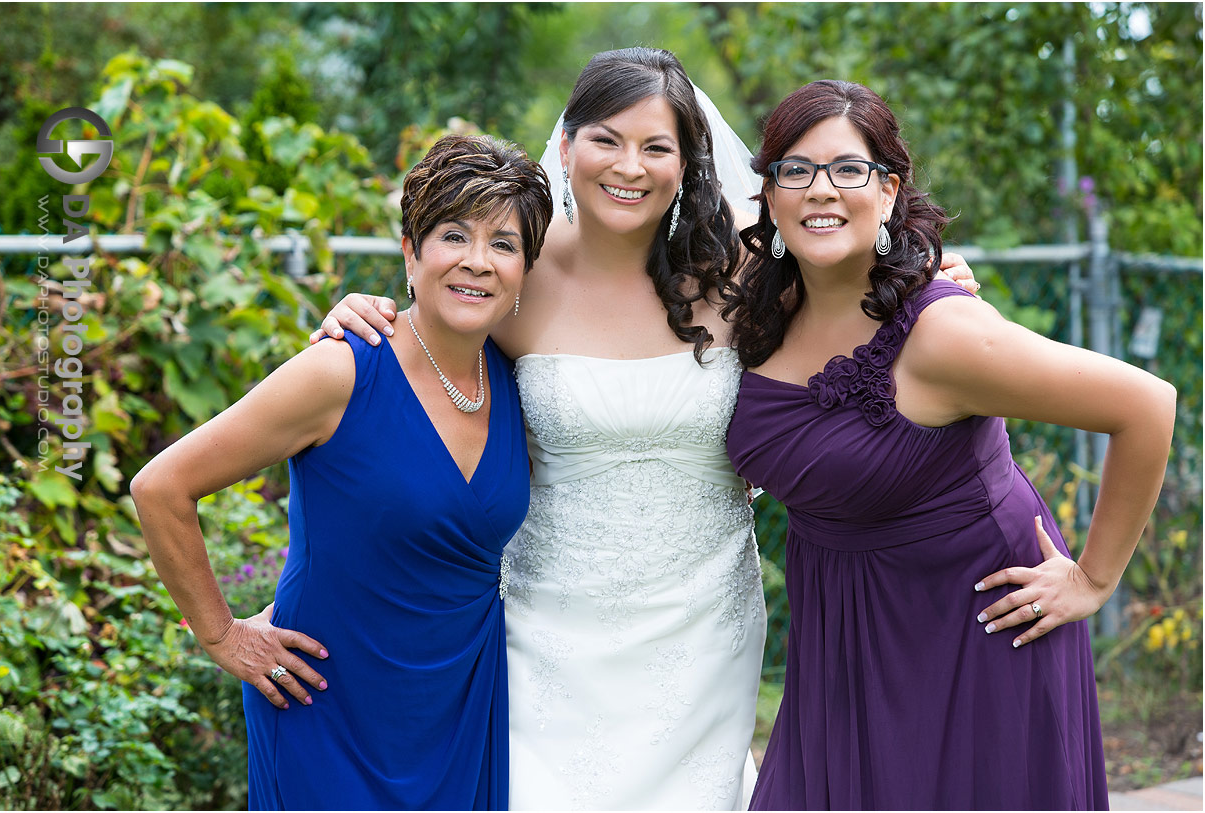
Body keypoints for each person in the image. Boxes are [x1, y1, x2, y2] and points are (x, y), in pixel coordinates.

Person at [314, 48, 981, 810]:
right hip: (549, 634)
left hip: (702, 631)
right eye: (607, 139)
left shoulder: (752, 267)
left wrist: (937, 281)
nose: (629, 166)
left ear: (688, 162)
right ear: (566, 148)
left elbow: (858, 277)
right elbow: (420, 366)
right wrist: (357, 316)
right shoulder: (516, 274)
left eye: (656, 146)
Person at [724, 79, 1176, 810]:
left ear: (889, 190)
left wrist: (1094, 579)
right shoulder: (753, 308)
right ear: (769, 197)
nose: (819, 190)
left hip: (975, 630)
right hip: (842, 637)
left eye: (848, 169)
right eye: (795, 170)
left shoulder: (943, 333)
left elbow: (1147, 407)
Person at [131, 134, 552, 810]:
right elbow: (161, 487)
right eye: (454, 235)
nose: (478, 261)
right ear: (411, 253)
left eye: (503, 244)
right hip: (326, 710)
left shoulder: (514, 379)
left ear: (526, 270)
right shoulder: (343, 368)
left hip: (462, 709)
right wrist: (222, 635)